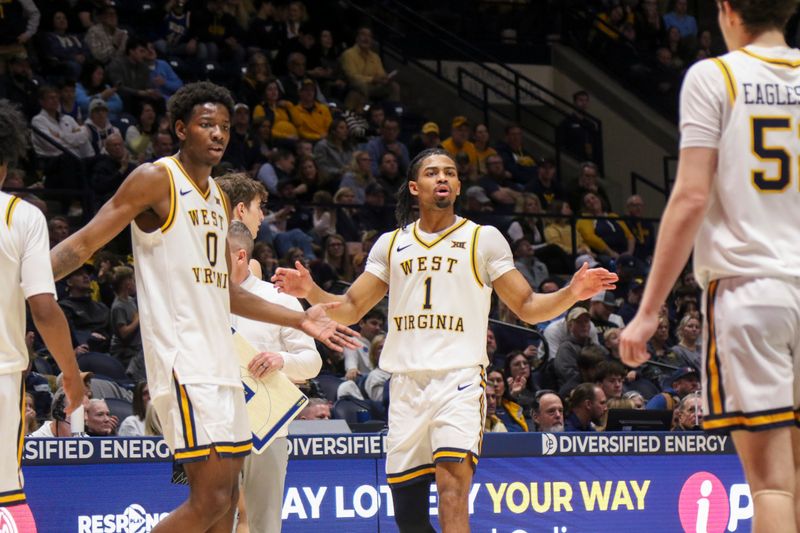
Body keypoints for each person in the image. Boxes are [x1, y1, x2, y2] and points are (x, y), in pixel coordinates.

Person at [48, 81, 358, 533]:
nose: (218, 134)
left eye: (225, 127)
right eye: (206, 124)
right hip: (183, 359)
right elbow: (84, 244)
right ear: (180, 128)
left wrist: (300, 317)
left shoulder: (218, 198)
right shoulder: (156, 178)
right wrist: (26, 284)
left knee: (228, 504)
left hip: (221, 365)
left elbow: (226, 293)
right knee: (211, 500)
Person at [273, 147, 616, 532]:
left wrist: (572, 291)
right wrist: (311, 289)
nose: (443, 179)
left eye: (450, 173)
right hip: (405, 386)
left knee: (452, 486)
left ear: (457, 185)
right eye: (434, 173)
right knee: (409, 517)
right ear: (415, 187)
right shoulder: (391, 243)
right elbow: (351, 307)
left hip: (459, 381)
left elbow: (527, 305)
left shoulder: (482, 239)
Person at [621, 4, 800, 530]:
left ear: (726, 9)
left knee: (771, 484)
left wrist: (649, 310)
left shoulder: (714, 75)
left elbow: (692, 195)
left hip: (751, 291)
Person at [0, 100, 84, 519]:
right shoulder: (21, 216)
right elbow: (43, 307)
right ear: (4, 167)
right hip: (0, 374)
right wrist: (69, 373)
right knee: (7, 501)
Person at [227, 221, 321, 533]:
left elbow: (312, 362)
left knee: (264, 524)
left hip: (267, 429)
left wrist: (280, 359)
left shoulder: (278, 298)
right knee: (215, 519)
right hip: (214, 425)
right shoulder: (201, 299)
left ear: (241, 256)